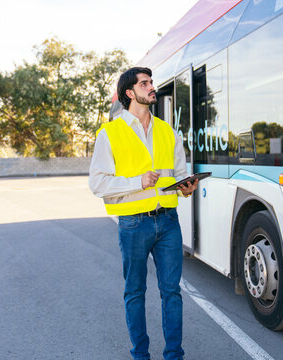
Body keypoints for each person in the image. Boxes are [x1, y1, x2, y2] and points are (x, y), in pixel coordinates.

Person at [88, 67, 198, 360]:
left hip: (168, 221)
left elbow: (178, 174)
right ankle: (141, 355)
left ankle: (174, 355)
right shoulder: (109, 133)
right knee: (135, 292)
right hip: (134, 224)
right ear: (129, 93)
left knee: (172, 292)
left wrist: (185, 187)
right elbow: (97, 184)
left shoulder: (167, 130)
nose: (152, 87)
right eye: (145, 83)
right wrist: (138, 182)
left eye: (151, 82)